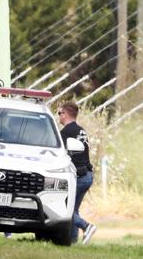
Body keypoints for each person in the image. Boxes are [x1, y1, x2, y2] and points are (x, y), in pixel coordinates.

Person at [58, 101, 97, 244]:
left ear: (66, 114)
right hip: (87, 174)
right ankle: (72, 241)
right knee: (73, 209)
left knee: (65, 208)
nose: (59, 116)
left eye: (60, 113)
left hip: (78, 176)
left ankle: (87, 227)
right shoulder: (81, 130)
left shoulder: (66, 132)